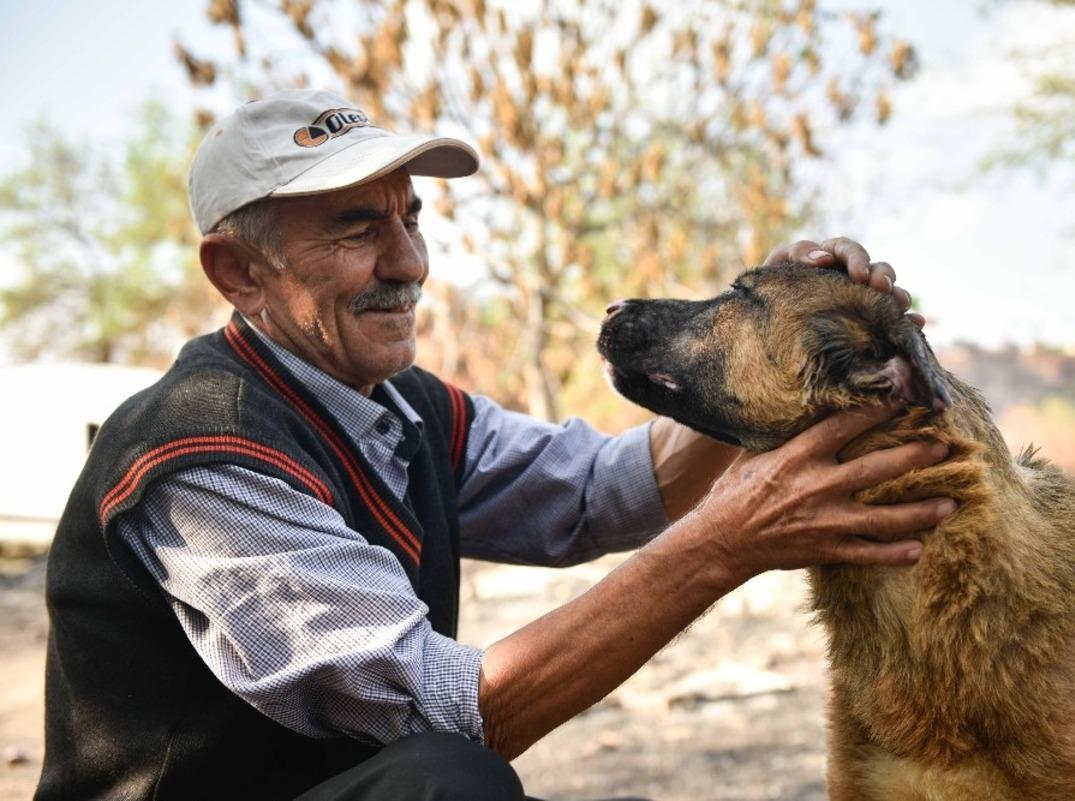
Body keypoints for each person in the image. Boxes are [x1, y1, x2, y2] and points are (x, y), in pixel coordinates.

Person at [35, 89, 954, 801]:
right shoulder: (205, 454)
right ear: (238, 271)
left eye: (410, 218)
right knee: (449, 782)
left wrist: (764, 343)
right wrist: (728, 543)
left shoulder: (396, 405)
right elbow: (455, 713)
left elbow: (600, 490)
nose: (408, 263)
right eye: (357, 227)